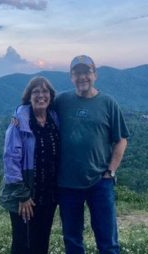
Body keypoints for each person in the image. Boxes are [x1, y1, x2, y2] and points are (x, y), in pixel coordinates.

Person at [55, 55, 129, 254]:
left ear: (95, 74)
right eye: (77, 73)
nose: (82, 77)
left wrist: (111, 172)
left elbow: (121, 139)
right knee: (72, 241)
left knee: (108, 241)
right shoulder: (62, 101)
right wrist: (18, 116)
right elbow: (37, 107)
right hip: (67, 183)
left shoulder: (108, 103)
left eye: (86, 72)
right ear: (71, 77)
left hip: (100, 182)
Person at [0, 76, 60, 254]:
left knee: (42, 242)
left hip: (48, 195)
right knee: (23, 243)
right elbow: (11, 159)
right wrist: (23, 195)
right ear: (29, 97)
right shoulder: (19, 123)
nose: (41, 95)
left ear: (50, 96)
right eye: (36, 92)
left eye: (45, 91)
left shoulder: (54, 119)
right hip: (27, 195)